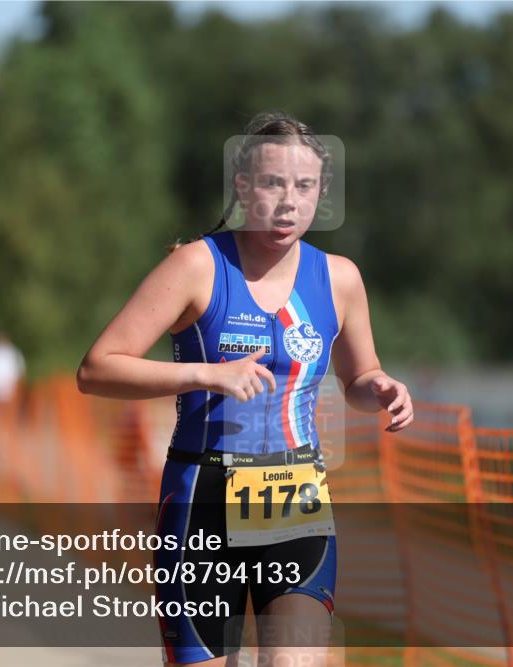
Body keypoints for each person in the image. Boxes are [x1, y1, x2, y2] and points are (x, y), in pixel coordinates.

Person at [77, 111, 413, 667]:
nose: (288, 202)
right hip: (201, 500)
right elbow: (96, 370)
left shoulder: (339, 279)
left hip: (294, 497)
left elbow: (358, 377)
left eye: (304, 186)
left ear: (321, 192)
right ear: (242, 186)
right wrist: (206, 374)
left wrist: (378, 386)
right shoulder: (197, 267)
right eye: (272, 183)